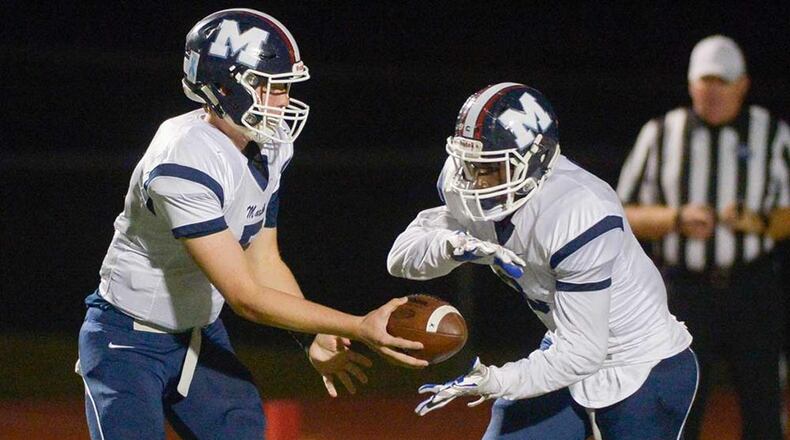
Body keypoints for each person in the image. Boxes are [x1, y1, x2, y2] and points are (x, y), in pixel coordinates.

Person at [75, 8, 427, 440]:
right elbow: (246, 296)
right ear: (222, 86)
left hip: (199, 334)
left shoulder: (268, 145)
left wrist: (312, 335)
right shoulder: (182, 160)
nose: (281, 99)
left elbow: (264, 261)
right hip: (126, 341)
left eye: (284, 86)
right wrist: (357, 325)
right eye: (269, 85)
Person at [387, 82, 697, 439]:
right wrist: (452, 246)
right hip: (564, 343)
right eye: (470, 165)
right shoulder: (465, 185)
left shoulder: (581, 212)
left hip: (642, 364)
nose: (476, 181)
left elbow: (583, 353)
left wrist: (497, 379)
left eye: (492, 168)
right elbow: (400, 258)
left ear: (537, 159)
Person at [617, 35, 790, 440]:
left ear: (743, 84)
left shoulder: (773, 134)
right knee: (677, 409)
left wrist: (760, 223)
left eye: (722, 82)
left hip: (753, 289)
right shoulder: (660, 133)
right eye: (704, 81)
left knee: (763, 409)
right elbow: (621, 214)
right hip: (683, 293)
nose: (712, 92)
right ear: (691, 83)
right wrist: (675, 218)